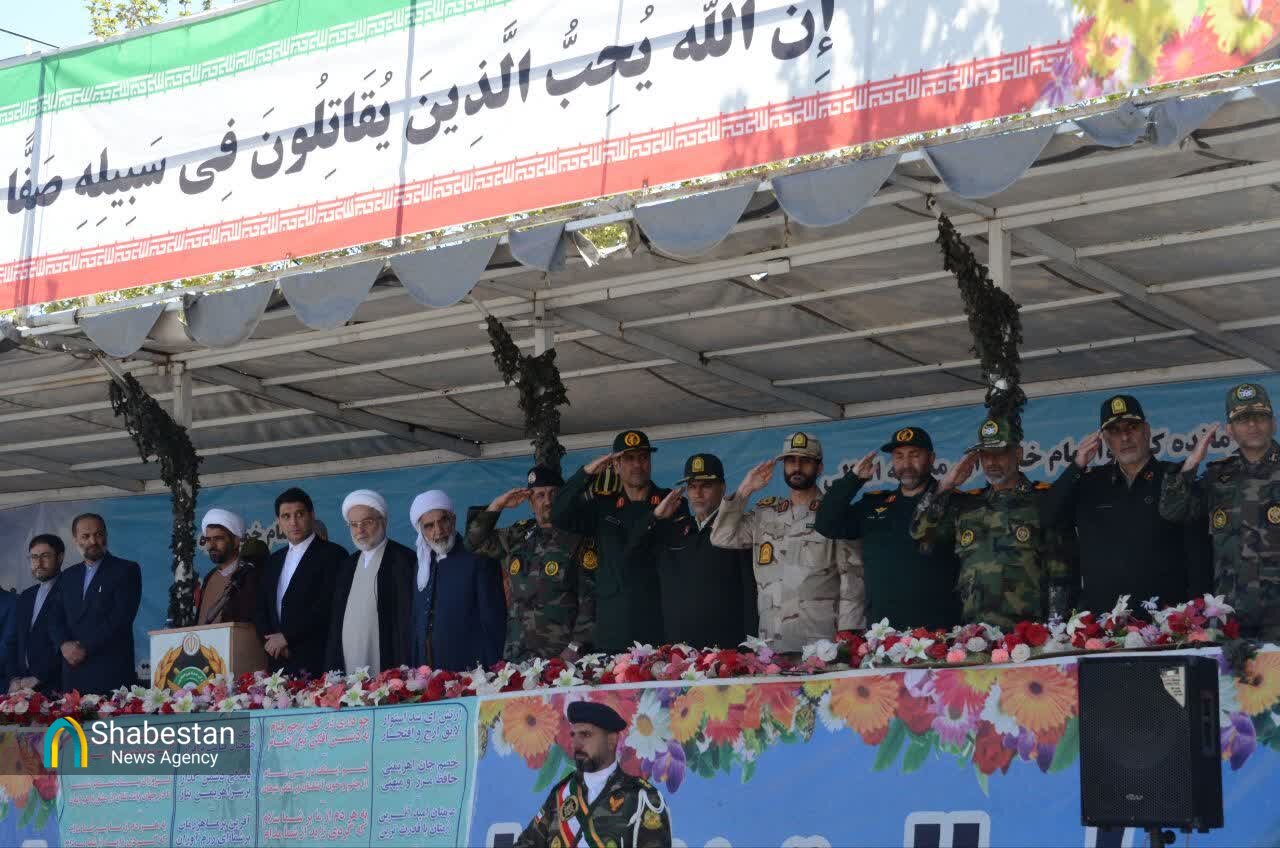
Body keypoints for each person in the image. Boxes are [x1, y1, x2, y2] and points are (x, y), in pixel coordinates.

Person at [1040, 395, 1209, 612]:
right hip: (1103, 621)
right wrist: (1077, 465)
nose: (1125, 437)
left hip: (1167, 621)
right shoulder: (1089, 483)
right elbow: (1048, 517)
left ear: (1146, 431)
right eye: (1114, 431)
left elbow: (1198, 553)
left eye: (1132, 427)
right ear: (1105, 439)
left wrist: (1197, 612)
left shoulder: (1175, 478)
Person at [910, 417, 1075, 628]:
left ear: (1018, 454)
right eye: (985, 455)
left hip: (1029, 634)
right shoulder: (966, 506)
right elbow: (919, 533)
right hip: (975, 633)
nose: (991, 462)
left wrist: (1055, 629)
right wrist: (945, 486)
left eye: (999, 454)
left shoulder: (1043, 501)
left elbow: (1060, 574)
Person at [712, 432, 865, 652]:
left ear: (819, 468)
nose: (797, 467)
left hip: (820, 643)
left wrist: (848, 639)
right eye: (790, 461)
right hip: (772, 640)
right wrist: (745, 490)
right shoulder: (766, 513)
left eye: (805, 461)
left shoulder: (833, 514)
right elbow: (721, 537)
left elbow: (852, 580)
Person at [1161, 382, 1280, 639]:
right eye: (1243, 419)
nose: (1252, 425)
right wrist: (1191, 465)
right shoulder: (1217, 476)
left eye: (1260, 417)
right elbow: (1173, 511)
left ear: (1273, 423)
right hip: (1232, 617)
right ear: (1230, 430)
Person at [815, 427, 961, 629]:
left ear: (931, 458)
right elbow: (826, 524)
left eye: (914, 455)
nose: (906, 464)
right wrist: (853, 479)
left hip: (940, 631)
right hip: (884, 633)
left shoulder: (954, 504)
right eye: (899, 456)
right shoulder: (873, 505)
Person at [551, 430, 680, 652]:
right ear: (616, 465)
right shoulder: (603, 506)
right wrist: (586, 473)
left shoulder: (670, 502)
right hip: (613, 622)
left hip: (657, 618)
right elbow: (558, 514)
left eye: (643, 457)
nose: (637, 465)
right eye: (629, 458)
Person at [466, 466, 596, 661]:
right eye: (540, 495)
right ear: (530, 501)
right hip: (517, 654)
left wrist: (575, 648)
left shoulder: (579, 538)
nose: (548, 501)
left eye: (553, 494)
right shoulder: (518, 535)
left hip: (561, 657)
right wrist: (498, 505)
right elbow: (473, 542)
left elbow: (591, 599)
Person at [632, 453, 758, 647]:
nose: (697, 494)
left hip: (726, 649)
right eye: (692, 486)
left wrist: (750, 646)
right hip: (678, 650)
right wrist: (655, 516)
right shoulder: (672, 529)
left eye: (706, 486)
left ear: (722, 488)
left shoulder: (737, 530)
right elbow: (631, 555)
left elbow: (750, 592)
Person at [516, 701, 671, 848]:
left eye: (586, 734)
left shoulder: (641, 797)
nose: (576, 744)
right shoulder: (562, 794)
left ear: (611, 740)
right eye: (573, 735)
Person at [254, 488, 348, 676]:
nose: (293, 522)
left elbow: (328, 605)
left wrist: (287, 637)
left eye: (299, 514)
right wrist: (272, 642)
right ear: (279, 522)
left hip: (318, 660)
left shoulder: (333, 555)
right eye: (286, 516)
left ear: (312, 515)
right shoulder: (273, 561)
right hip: (278, 661)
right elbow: (261, 609)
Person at [408, 490, 505, 671]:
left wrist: (492, 670)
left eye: (443, 521)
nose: (438, 531)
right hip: (427, 669)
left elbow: (493, 620)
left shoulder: (477, 557)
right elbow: (416, 622)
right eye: (429, 526)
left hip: (470, 670)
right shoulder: (421, 565)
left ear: (453, 519)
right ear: (421, 531)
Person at [47, 513, 142, 694]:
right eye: (86, 536)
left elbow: (121, 618)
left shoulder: (126, 570)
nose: (93, 541)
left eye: (98, 534)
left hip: (111, 672)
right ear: (75, 540)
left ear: (106, 535)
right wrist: (63, 645)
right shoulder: (67, 576)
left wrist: (84, 647)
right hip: (73, 674)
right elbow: (54, 617)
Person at [325, 489, 415, 674]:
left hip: (388, 657)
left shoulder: (403, 560)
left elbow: (406, 620)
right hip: (349, 657)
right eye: (354, 524)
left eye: (367, 522)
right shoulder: (347, 565)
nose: (360, 530)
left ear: (383, 521)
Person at [7, 535, 64, 693]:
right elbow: (13, 642)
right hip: (21, 688)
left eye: (45, 556)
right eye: (34, 557)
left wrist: (39, 676)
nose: (38, 563)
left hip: (56, 686)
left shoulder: (70, 590)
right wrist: (13, 678)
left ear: (60, 557)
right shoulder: (26, 596)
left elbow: (69, 640)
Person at [196, 508, 260, 625]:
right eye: (208, 539)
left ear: (236, 541)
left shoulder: (249, 576)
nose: (211, 545)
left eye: (218, 538)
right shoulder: (209, 577)